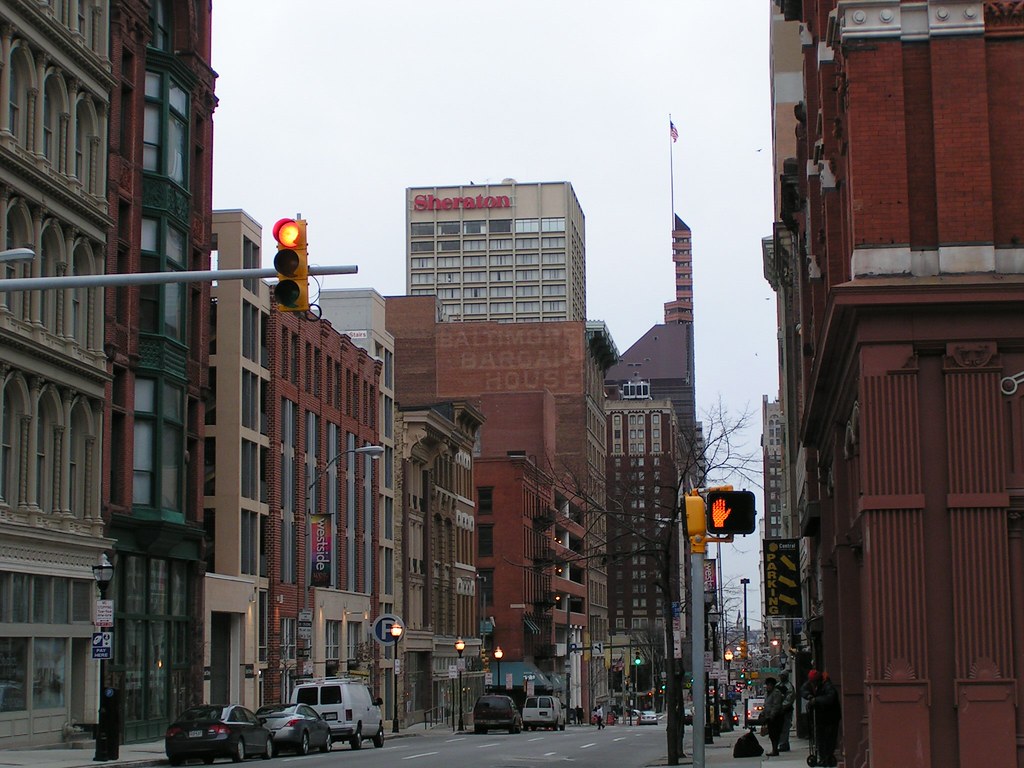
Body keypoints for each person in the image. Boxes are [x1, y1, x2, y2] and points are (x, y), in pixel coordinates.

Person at [806, 672, 841, 767]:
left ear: (817, 680)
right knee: (821, 739)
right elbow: (803, 689)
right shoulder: (820, 686)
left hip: (830, 718)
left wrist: (816, 700)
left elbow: (830, 698)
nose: (812, 684)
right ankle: (823, 758)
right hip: (823, 718)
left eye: (813, 682)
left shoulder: (827, 686)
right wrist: (809, 696)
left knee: (828, 739)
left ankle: (826, 758)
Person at [759, 676, 785, 757]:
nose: (768, 686)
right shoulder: (767, 694)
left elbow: (776, 705)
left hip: (776, 717)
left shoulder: (776, 693)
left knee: (775, 734)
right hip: (769, 717)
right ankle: (774, 749)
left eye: (769, 685)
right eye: (767, 685)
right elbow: (766, 705)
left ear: (773, 685)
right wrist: (762, 713)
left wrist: (772, 715)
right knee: (771, 734)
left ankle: (775, 750)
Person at [777, 670, 796, 752]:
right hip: (779, 711)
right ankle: (783, 743)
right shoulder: (777, 686)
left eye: (783, 676)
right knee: (780, 728)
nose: (781, 677)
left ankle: (783, 744)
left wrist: (782, 707)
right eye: (780, 675)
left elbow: (790, 699)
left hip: (786, 711)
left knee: (785, 727)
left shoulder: (789, 687)